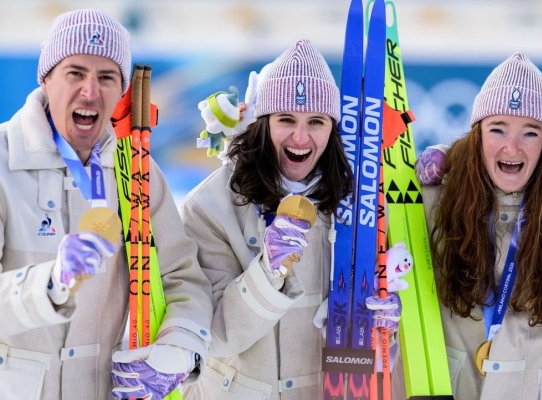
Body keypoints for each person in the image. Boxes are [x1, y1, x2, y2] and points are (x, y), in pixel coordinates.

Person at [0, 8, 213, 400]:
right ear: (46, 79)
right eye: (75, 73)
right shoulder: (3, 161)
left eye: (106, 77)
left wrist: (178, 348)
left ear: (121, 91)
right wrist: (50, 282)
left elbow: (184, 279)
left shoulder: (137, 170)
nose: (90, 91)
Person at [181, 39, 405, 399]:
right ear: (263, 123)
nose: (300, 137)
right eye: (286, 119)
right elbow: (215, 337)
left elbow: (378, 358)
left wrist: (383, 330)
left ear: (333, 129)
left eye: (316, 121)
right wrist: (268, 272)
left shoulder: (360, 204)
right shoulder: (209, 206)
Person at [417, 52, 542, 399]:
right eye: (497, 129)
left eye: (530, 133)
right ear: (476, 135)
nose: (512, 147)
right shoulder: (434, 201)